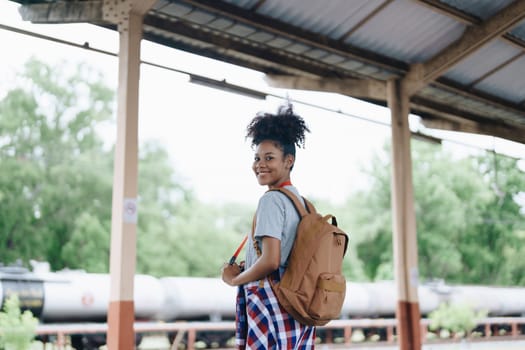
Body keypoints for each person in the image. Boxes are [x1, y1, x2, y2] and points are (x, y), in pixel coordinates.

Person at [221, 104, 316, 349]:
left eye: (269, 158)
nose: (260, 164)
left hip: (270, 300)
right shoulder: (302, 203)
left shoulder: (272, 200)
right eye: (257, 158)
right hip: (296, 301)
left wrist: (236, 279)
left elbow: (272, 261)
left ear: (289, 161)